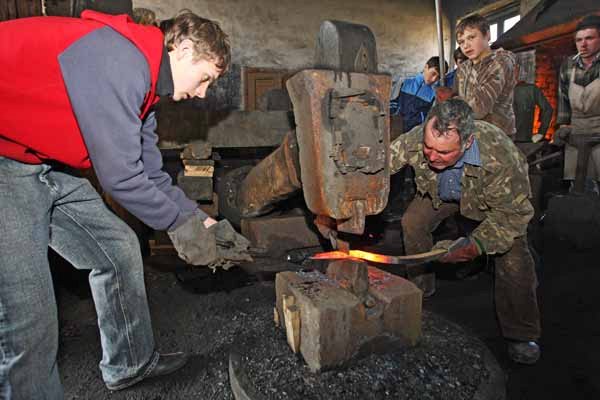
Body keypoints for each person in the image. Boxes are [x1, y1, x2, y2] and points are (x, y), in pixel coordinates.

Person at [0, 10, 250, 398]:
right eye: (205, 79)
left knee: (116, 248)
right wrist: (178, 226)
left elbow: (149, 172)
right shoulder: (122, 61)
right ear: (183, 49)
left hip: (39, 159)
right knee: (28, 314)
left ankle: (129, 362)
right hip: (5, 165)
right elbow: (120, 178)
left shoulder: (146, 89)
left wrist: (199, 220)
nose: (202, 93)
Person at [390, 99, 541, 365]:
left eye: (444, 152)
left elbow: (512, 216)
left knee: (514, 260)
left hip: (489, 203)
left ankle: (521, 332)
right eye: (428, 147)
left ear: (468, 143)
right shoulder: (418, 136)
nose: (432, 156)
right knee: (412, 221)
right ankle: (421, 288)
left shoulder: (500, 156)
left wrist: (475, 245)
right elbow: (383, 162)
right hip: (442, 194)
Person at [438, 14, 517, 138]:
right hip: (468, 134)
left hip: (497, 136)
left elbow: (478, 108)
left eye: (471, 37)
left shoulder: (500, 62)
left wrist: (451, 103)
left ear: (487, 35)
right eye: (461, 42)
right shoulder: (463, 69)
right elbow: (453, 96)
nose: (465, 45)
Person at [555, 14, 600, 194]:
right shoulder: (568, 65)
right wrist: (564, 127)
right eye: (579, 40)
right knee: (578, 186)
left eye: (589, 38)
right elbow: (563, 99)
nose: (583, 44)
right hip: (577, 133)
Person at [390, 56, 449, 133]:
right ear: (426, 67)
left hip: (414, 132)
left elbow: (428, 117)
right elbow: (392, 102)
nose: (434, 79)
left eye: (438, 77)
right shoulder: (405, 82)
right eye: (433, 74)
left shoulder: (433, 94)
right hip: (395, 125)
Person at [513, 64, 554, 143]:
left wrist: (541, 133)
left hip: (523, 141)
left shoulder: (530, 90)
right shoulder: (496, 91)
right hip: (500, 140)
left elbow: (547, 109)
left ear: (517, 70)